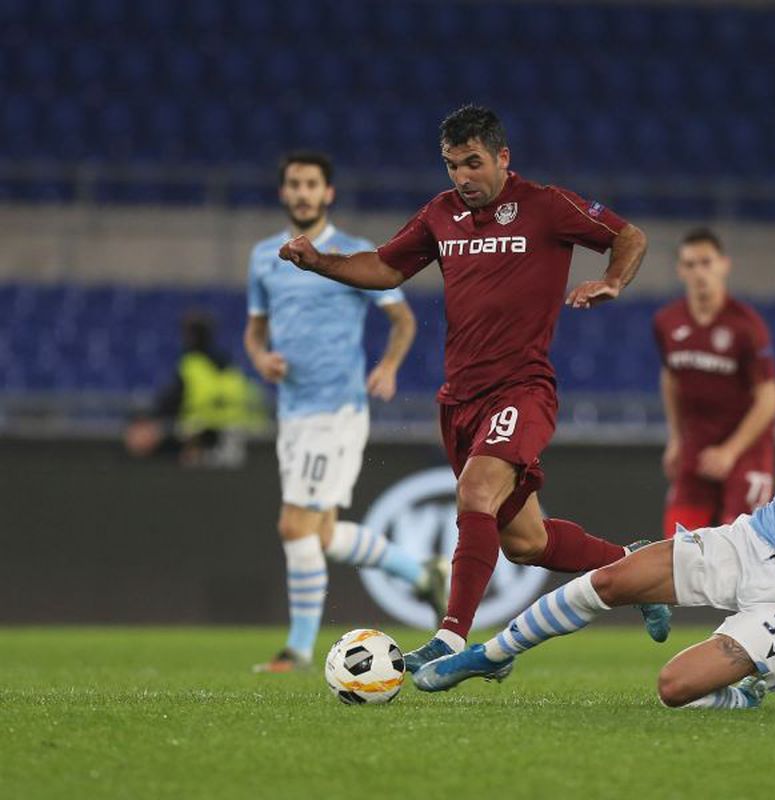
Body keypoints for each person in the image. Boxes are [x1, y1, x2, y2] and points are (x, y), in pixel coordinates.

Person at [413, 296, 775, 711]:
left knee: (674, 688)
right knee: (610, 581)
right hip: (750, 541)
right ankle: (491, 656)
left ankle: (749, 692)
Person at [277, 105, 670, 672]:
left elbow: (627, 235)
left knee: (474, 493)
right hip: (459, 399)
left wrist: (611, 280)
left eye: (473, 163)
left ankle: (453, 639)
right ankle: (635, 567)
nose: (462, 177)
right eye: (452, 165)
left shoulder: (546, 205)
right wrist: (320, 262)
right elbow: (386, 268)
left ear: (502, 157)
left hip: (522, 389)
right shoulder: (440, 214)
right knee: (527, 543)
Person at [245, 150, 447, 674]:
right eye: (295, 183)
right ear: (284, 192)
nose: (303, 192)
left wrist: (388, 366)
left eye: (312, 183)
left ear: (327, 193)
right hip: (292, 411)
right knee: (324, 534)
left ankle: (296, 649)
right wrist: (260, 358)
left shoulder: (354, 253)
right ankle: (422, 573)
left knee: (295, 526)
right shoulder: (264, 255)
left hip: (335, 410)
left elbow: (402, 320)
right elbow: (255, 329)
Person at [654, 228, 775, 539]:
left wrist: (730, 451)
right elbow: (670, 377)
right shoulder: (667, 322)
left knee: (744, 549)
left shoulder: (746, 326)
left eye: (706, 263)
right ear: (680, 270)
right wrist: (675, 438)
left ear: (724, 264)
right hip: (696, 448)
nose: (699, 272)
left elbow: (769, 399)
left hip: (746, 450)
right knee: (680, 547)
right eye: (691, 264)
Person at [124, 311, 266, 467]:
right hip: (239, 449)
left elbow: (168, 404)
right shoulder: (232, 369)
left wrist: (149, 422)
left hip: (202, 445)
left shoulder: (191, 366)